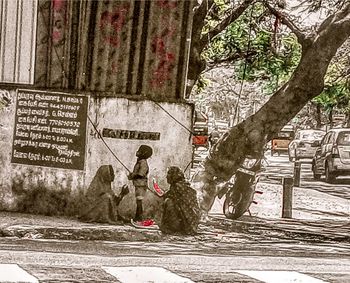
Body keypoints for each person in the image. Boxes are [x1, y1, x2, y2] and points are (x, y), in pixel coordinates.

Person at [159, 166, 200, 235]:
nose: (166, 176)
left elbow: (168, 196)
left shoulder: (177, 186)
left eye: (169, 174)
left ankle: (173, 228)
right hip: (192, 220)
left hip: (188, 220)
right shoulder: (183, 184)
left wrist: (163, 194)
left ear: (173, 175)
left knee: (168, 202)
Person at [128, 145, 153, 221]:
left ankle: (139, 217)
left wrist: (133, 176)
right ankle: (138, 217)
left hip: (141, 184)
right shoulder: (140, 162)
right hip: (138, 184)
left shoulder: (143, 163)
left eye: (140, 150)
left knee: (139, 201)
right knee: (138, 200)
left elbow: (140, 174)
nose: (137, 152)